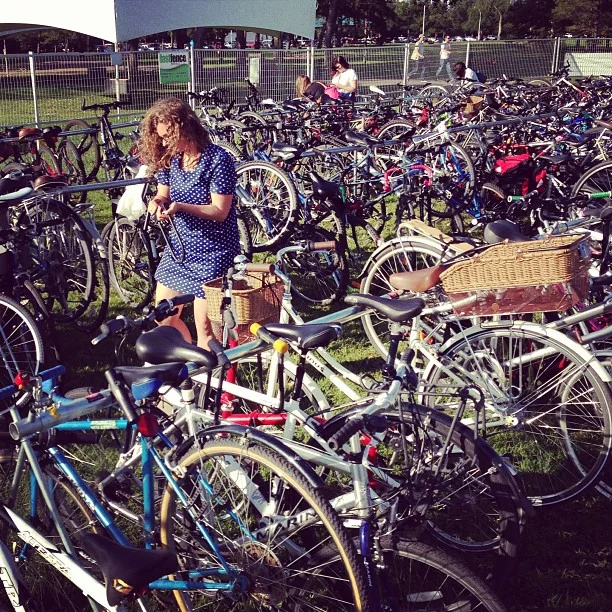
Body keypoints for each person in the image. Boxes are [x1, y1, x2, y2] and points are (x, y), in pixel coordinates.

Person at [139, 97, 241, 350]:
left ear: (185, 129)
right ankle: (191, 362)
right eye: (160, 138)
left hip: (213, 253)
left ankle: (211, 382)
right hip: (179, 251)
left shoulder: (218, 160)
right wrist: (158, 202)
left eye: (167, 136)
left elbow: (219, 211)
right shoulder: (170, 159)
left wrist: (181, 207)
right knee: (164, 319)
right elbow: (164, 193)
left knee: (206, 331)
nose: (163, 143)